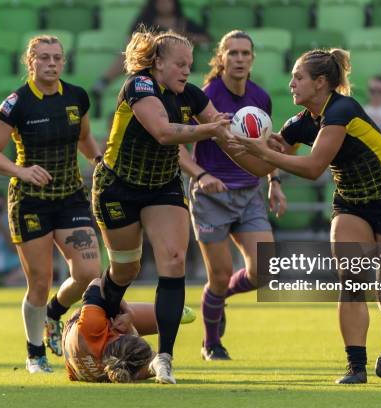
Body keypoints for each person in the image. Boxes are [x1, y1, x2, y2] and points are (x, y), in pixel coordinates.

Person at [229, 49, 381, 384]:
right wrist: (227, 141)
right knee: (351, 282)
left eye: (298, 77)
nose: (290, 84)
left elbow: (314, 167)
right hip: (351, 205)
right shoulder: (300, 124)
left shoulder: (342, 111)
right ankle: (355, 367)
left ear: (320, 83)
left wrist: (263, 153)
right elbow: (264, 165)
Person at [91, 28, 233, 384]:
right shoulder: (139, 86)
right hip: (117, 187)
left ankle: (164, 358)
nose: (187, 70)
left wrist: (260, 149)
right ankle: (101, 322)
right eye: (180, 64)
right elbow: (164, 132)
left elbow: (222, 132)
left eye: (190, 64)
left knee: (172, 258)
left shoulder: (191, 95)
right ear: (157, 63)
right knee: (126, 269)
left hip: (162, 186)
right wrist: (212, 131)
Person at [0, 35, 104, 374]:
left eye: (58, 58)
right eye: (45, 58)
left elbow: (84, 138)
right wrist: (21, 171)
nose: (52, 63)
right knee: (39, 280)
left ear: (64, 62)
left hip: (70, 196)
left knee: (89, 272)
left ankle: (54, 311)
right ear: (31, 62)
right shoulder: (16, 103)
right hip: (30, 202)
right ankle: (35, 354)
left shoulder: (76, 96)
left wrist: (97, 159)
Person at [178, 30, 286, 360]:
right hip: (211, 195)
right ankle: (212, 344)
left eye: (245, 53)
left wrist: (274, 181)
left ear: (252, 59)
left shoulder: (261, 97)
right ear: (221, 58)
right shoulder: (205, 95)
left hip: (249, 191)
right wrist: (202, 174)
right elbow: (175, 143)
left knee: (264, 271)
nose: (239, 59)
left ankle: (220, 297)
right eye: (233, 53)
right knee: (219, 276)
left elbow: (265, 146)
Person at [63, 278, 196, 382]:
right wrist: (132, 329)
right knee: (169, 317)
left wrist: (128, 312)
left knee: (113, 302)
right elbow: (153, 359)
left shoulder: (91, 327)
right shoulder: (127, 370)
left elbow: (97, 282)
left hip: (83, 329)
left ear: (116, 335)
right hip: (82, 354)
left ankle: (164, 314)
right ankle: (168, 314)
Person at [93, 0, 210, 96]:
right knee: (126, 54)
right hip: (151, 60)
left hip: (175, 62)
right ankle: (104, 81)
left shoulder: (183, 22)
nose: (164, 3)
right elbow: (131, 41)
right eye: (160, 1)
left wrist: (184, 35)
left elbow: (206, 38)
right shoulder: (146, 20)